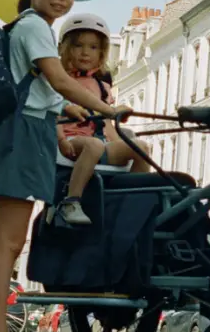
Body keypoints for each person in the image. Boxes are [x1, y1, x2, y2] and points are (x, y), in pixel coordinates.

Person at [0, 0, 132, 332]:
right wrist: (107, 110)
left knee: (10, 239)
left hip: (30, 131)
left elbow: (42, 88)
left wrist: (69, 109)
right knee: (7, 241)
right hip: (22, 136)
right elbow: (58, 78)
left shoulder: (29, 28)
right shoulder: (35, 28)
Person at [56, 13, 153, 225]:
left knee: (141, 147)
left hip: (98, 142)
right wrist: (61, 139)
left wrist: (123, 141)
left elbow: (106, 126)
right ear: (65, 48)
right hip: (71, 142)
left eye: (93, 47)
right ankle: (71, 201)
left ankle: (131, 202)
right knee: (93, 145)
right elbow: (50, 114)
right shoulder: (59, 82)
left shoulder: (102, 87)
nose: (85, 52)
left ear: (101, 53)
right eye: (78, 46)